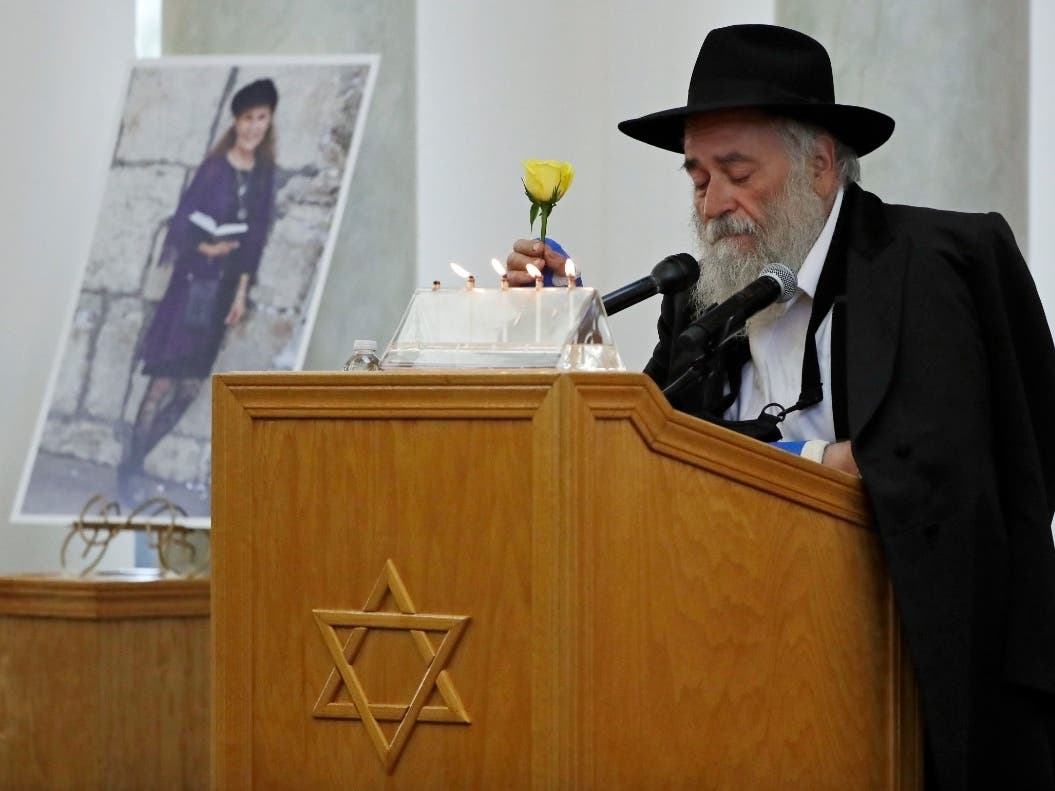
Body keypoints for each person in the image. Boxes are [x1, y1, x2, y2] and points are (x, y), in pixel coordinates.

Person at [507, 24, 1055, 790]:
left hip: (893, 663)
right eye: (697, 176)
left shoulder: (929, 267)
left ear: (821, 164)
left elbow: (923, 466)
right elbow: (645, 453)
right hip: (727, 652)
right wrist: (562, 331)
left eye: (737, 170)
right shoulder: (701, 299)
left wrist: (794, 463)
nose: (715, 202)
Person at [118, 78, 278, 501]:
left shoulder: (264, 176)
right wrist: (207, 244)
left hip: (223, 290)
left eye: (261, 118)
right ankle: (130, 471)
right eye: (247, 118)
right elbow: (182, 222)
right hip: (190, 285)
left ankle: (134, 458)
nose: (253, 127)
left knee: (190, 387)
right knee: (164, 380)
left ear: (269, 121)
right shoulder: (214, 168)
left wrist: (242, 292)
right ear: (236, 121)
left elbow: (256, 241)